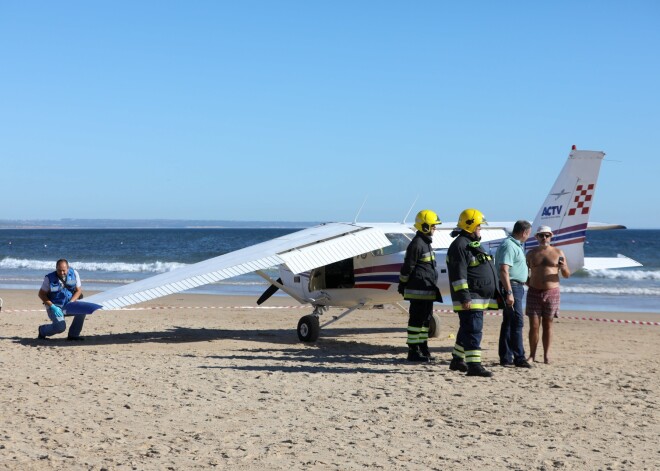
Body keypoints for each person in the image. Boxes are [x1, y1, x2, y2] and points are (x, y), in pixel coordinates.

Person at [446, 208, 499, 377]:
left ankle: (457, 359)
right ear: (470, 226)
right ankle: (474, 365)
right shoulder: (459, 246)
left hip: (478, 297)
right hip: (471, 298)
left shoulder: (471, 244)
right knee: (474, 330)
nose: (480, 230)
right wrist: (464, 297)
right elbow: (458, 275)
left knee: (466, 329)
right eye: (478, 227)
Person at [398, 209, 443, 362]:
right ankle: (413, 351)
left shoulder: (426, 243)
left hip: (427, 290)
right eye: (433, 226)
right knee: (416, 322)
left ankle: (423, 348)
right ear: (425, 227)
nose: (435, 229)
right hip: (418, 291)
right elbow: (407, 268)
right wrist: (402, 283)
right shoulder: (417, 244)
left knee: (425, 321)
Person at [525, 225, 571, 364]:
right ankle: (532, 355)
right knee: (533, 325)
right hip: (534, 291)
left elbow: (567, 275)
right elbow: (524, 272)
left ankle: (546, 355)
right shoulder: (531, 253)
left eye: (547, 235)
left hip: (552, 291)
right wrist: (529, 282)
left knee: (548, 324)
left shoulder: (558, 252)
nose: (544, 238)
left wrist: (563, 267)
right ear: (536, 237)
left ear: (551, 236)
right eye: (541, 235)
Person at [495, 220, 532, 368]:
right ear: (524, 232)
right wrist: (509, 292)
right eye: (528, 234)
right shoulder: (509, 245)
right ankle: (519, 357)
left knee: (510, 322)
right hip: (512, 286)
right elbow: (504, 269)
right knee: (517, 321)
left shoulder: (514, 245)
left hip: (516, 286)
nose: (528, 236)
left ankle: (506, 357)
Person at [37, 259, 86, 341]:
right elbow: (41, 294)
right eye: (59, 270)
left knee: (83, 310)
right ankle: (42, 330)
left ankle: (73, 335)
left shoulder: (74, 273)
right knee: (60, 327)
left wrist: (71, 302)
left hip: (69, 304)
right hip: (55, 308)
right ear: (56, 268)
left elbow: (78, 291)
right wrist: (52, 307)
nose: (62, 273)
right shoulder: (49, 278)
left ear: (68, 268)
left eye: (64, 270)